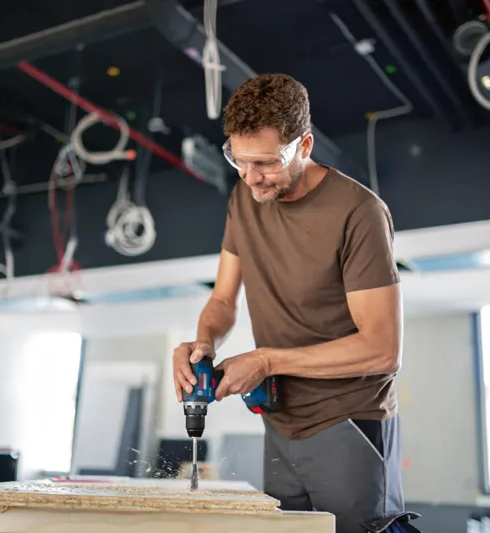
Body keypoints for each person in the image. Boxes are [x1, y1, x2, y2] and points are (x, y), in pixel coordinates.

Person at [172, 73, 420, 533]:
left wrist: (266, 360)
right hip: (280, 423)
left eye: (265, 163)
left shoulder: (358, 212)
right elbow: (224, 297)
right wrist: (202, 343)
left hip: (348, 421)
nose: (250, 177)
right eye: (238, 161)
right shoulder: (245, 197)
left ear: (304, 146)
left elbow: (382, 350)